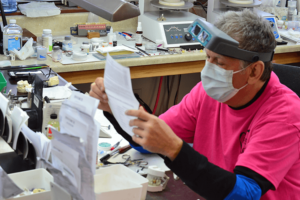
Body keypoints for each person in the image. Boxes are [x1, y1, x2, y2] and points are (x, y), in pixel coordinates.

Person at [90, 10, 300, 200]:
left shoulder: (285, 114)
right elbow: (146, 142)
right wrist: (115, 106)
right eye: (207, 57)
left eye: (219, 62)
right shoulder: (207, 93)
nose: (208, 69)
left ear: (254, 71)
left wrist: (174, 149)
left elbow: (244, 194)